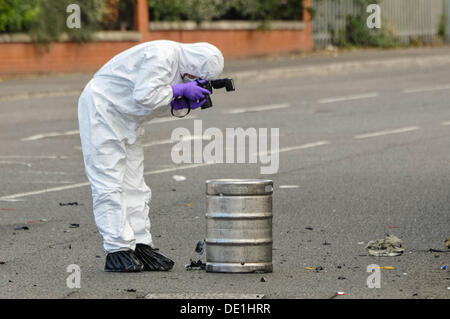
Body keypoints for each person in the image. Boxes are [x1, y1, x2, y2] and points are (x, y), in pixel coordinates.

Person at [77, 40, 224, 272]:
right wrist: (178, 91)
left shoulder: (180, 66)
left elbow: (152, 104)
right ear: (190, 68)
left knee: (135, 185)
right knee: (109, 181)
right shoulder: (162, 55)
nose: (189, 82)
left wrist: (180, 103)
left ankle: (140, 243)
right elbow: (145, 96)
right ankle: (117, 249)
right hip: (101, 110)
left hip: (128, 118)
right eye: (191, 79)